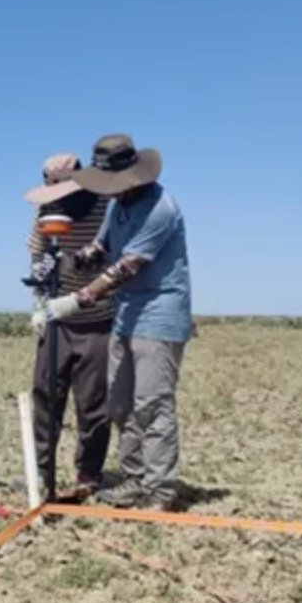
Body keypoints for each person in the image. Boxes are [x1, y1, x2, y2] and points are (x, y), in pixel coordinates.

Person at [39, 134, 192, 511]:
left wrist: (76, 300)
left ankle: (159, 491)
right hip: (126, 313)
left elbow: (125, 267)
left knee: (152, 404)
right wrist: (65, 261)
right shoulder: (117, 206)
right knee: (120, 404)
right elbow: (101, 249)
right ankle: (134, 479)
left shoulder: (160, 208)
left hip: (158, 316)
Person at [24, 153, 115, 498]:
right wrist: (39, 300)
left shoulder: (105, 205)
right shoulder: (46, 208)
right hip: (57, 317)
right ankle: (42, 472)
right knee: (46, 396)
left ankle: (88, 474)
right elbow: (37, 253)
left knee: (94, 404)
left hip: (99, 317)